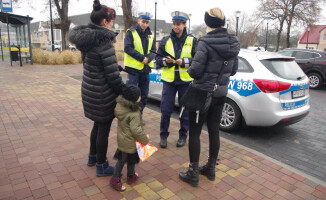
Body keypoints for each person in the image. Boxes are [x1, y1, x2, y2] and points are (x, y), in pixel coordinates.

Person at [179, 7, 240, 187]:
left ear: (208, 23)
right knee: (214, 129)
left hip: (202, 93)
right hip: (221, 92)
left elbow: (195, 72)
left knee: (195, 132)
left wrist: (189, 69)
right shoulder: (233, 43)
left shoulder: (205, 43)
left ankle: (193, 172)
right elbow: (234, 70)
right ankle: (211, 169)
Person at [68, 0, 124, 177]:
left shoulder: (87, 40)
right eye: (112, 20)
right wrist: (125, 90)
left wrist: (115, 67)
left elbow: (95, 64)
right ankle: (101, 165)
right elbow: (113, 78)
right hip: (102, 93)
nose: (113, 24)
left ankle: (92, 157)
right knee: (103, 129)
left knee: (97, 125)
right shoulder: (104, 42)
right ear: (105, 22)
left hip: (90, 89)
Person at [155, 11, 197, 148]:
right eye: (174, 24)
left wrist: (184, 61)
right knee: (166, 110)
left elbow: (197, 60)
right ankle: (163, 136)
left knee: (185, 112)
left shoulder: (192, 40)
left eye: (178, 24)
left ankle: (183, 136)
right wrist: (165, 61)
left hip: (185, 81)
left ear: (184, 24)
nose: (175, 27)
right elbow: (157, 60)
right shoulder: (165, 40)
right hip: (169, 81)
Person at [109, 85, 149, 191]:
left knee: (130, 159)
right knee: (123, 161)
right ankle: (115, 178)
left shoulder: (121, 107)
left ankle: (131, 175)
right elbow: (136, 130)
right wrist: (145, 140)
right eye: (139, 95)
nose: (141, 97)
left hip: (122, 139)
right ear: (135, 98)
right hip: (130, 141)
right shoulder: (134, 113)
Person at [124, 12, 156, 113]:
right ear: (138, 21)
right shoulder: (131, 32)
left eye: (147, 22)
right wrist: (142, 58)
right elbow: (127, 48)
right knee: (131, 95)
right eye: (143, 21)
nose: (144, 24)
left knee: (144, 96)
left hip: (145, 70)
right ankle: (129, 117)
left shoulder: (151, 35)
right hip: (133, 69)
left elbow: (154, 51)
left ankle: (138, 116)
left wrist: (149, 58)